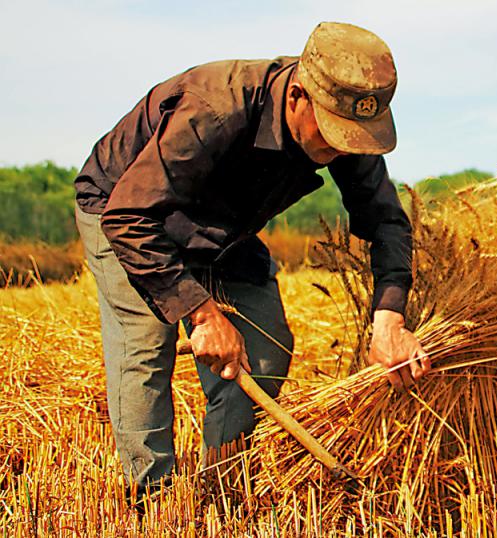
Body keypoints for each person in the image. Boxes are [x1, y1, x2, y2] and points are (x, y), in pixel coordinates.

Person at [73, 21, 430, 499]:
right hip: (129, 212)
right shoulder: (216, 108)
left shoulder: (346, 128)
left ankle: (218, 494)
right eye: (331, 137)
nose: (339, 151)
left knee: (264, 349)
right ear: (299, 96)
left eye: (352, 140)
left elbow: (387, 221)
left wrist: (389, 318)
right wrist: (200, 313)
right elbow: (130, 216)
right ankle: (153, 502)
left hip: (224, 227)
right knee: (145, 349)